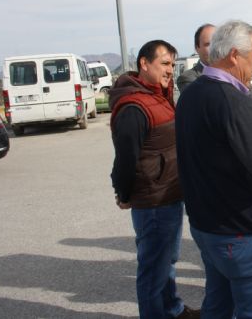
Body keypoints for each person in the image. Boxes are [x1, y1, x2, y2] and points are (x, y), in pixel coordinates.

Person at [175, 21, 252, 318]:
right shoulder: (234, 101)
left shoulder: (191, 95)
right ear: (234, 55)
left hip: (208, 228)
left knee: (217, 306)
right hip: (240, 234)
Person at [109, 40, 199, 319]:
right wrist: (123, 194)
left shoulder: (158, 95)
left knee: (165, 262)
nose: (170, 70)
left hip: (169, 194)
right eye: (164, 63)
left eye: (172, 64)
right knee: (153, 269)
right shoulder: (134, 106)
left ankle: (172, 309)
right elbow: (126, 158)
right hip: (154, 201)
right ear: (144, 64)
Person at [177, 24, 216, 93]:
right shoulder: (187, 78)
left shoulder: (231, 73)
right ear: (197, 48)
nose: (213, 48)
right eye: (208, 44)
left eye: (217, 43)